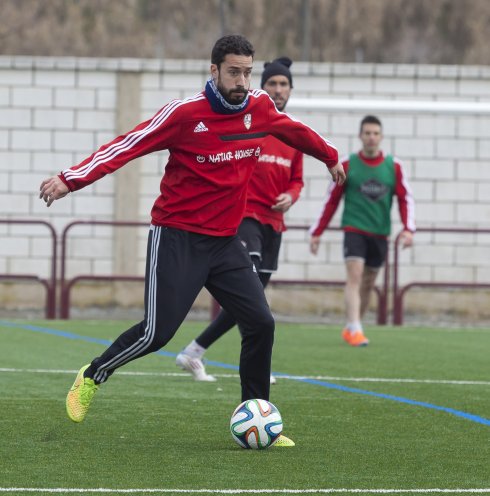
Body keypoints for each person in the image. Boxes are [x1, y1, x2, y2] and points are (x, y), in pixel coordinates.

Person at [39, 35, 344, 448]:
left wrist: (329, 156)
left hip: (224, 242)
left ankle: (257, 416)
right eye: (234, 72)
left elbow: (297, 132)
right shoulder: (185, 114)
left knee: (261, 323)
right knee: (156, 334)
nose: (242, 81)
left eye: (248, 72)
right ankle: (93, 374)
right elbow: (125, 146)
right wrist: (69, 179)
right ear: (213, 70)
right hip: (177, 237)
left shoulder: (259, 109)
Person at [175, 57, 303, 384]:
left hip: (273, 224)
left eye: (283, 84)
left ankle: (195, 351)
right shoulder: (250, 123)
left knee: (254, 296)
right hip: (245, 217)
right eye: (272, 83)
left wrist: (292, 194)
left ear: (290, 90)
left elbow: (297, 179)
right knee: (253, 293)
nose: (277, 89)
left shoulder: (292, 134)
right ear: (261, 85)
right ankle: (206, 353)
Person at [309, 115, 415, 346]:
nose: (371, 137)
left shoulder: (394, 166)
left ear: (381, 137)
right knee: (354, 277)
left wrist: (408, 229)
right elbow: (331, 200)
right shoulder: (347, 164)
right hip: (354, 229)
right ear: (360, 136)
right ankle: (355, 327)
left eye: (375, 133)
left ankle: (352, 326)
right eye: (367, 133)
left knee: (368, 283)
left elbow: (405, 199)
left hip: (380, 232)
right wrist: (317, 232)